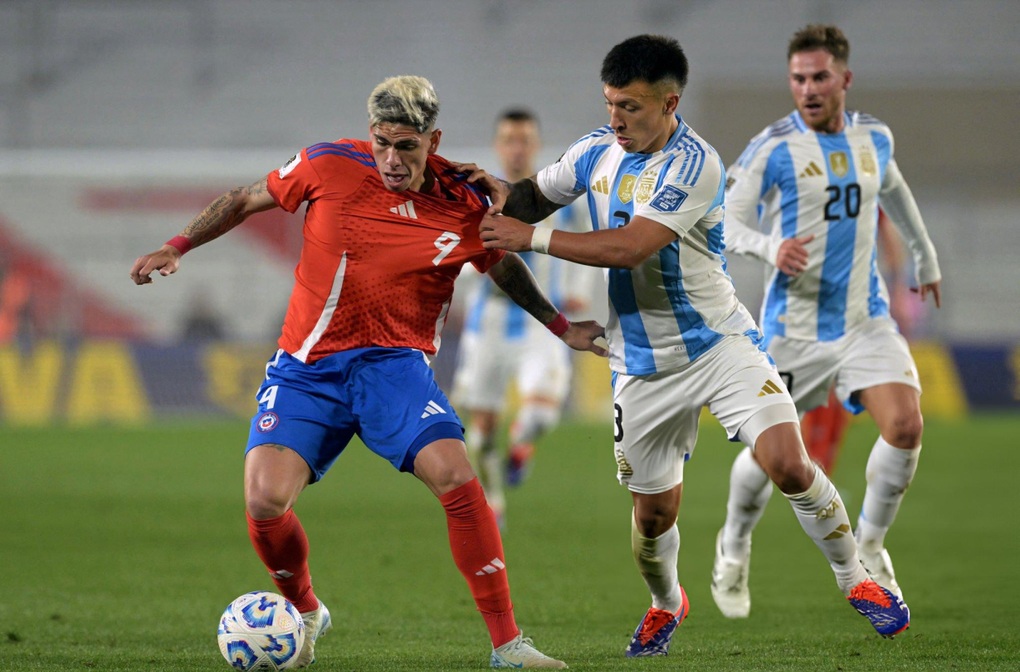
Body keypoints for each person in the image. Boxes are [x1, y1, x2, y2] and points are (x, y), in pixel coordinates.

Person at [130, 75, 608, 669]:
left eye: (406, 146)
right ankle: (305, 608)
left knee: (458, 479)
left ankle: (508, 645)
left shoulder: (464, 199)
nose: (391, 159)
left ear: (433, 141)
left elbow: (500, 265)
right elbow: (242, 198)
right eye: (382, 142)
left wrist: (563, 328)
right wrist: (177, 244)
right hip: (307, 367)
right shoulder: (327, 164)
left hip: (394, 365)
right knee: (263, 500)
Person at [468, 34, 910, 657]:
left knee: (788, 461)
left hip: (720, 344)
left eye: (632, 107)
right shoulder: (596, 149)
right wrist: (492, 190)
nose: (617, 119)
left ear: (670, 101)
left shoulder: (694, 163)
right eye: (611, 103)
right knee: (653, 519)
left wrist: (529, 239)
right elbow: (534, 197)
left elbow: (629, 246)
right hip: (642, 365)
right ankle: (667, 602)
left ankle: (855, 577)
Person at [711, 24, 941, 620]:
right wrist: (769, 247)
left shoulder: (875, 138)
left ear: (844, 78)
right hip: (794, 331)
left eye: (818, 77)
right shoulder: (772, 148)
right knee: (774, 460)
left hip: (865, 320)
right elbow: (722, 223)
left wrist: (924, 256)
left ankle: (869, 543)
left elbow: (895, 192)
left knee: (907, 425)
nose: (808, 89)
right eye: (798, 79)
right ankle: (733, 546)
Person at [451, 108, 595, 527]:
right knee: (482, 428)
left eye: (525, 141)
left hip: (541, 322)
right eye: (509, 140)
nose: (517, 148)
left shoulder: (559, 199)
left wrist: (579, 293)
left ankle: (523, 444)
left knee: (540, 415)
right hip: (487, 326)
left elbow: (587, 249)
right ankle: (493, 499)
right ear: (498, 146)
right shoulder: (478, 199)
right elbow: (457, 252)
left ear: (535, 146)